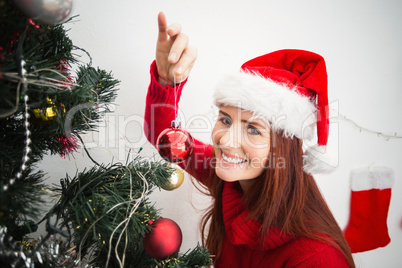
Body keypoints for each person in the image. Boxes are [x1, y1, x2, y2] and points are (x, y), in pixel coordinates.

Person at [144, 12, 355, 267]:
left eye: (253, 129)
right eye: (225, 119)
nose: (227, 142)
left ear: (283, 149)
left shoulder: (316, 257)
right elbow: (168, 140)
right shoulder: (231, 180)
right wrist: (167, 81)